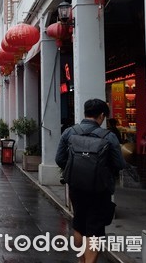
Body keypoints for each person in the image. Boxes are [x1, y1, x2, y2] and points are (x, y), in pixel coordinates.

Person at [55, 99, 127, 263]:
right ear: (102, 115)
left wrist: (76, 171)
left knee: (79, 224)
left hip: (76, 188)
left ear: (85, 113)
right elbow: (119, 164)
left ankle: (81, 260)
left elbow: (59, 159)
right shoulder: (109, 136)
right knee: (94, 230)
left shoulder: (70, 132)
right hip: (100, 190)